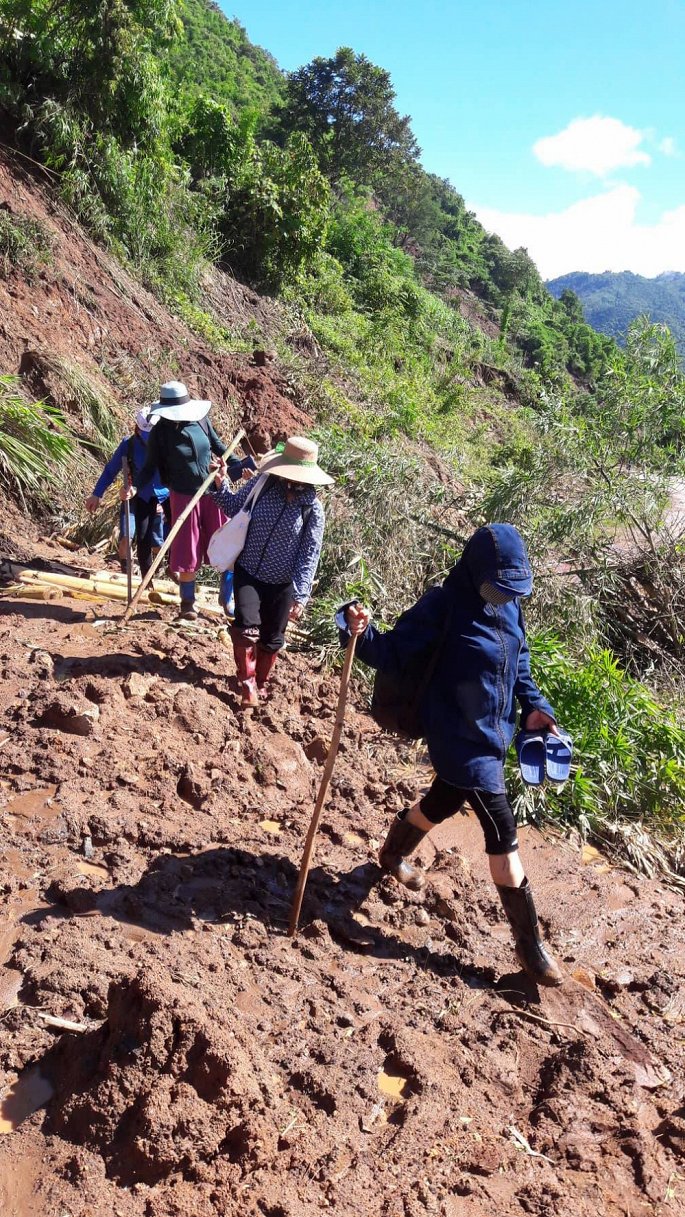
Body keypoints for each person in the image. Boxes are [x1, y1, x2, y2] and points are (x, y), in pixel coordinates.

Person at [340, 523, 564, 987]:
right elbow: (391, 653)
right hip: (457, 736)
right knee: (501, 829)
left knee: (443, 801)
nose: (504, 594)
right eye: (498, 585)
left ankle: (392, 853)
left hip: (493, 735)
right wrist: (357, 630)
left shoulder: (508, 606)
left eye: (511, 588)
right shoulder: (442, 606)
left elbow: (517, 661)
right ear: (476, 571)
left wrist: (535, 706)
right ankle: (531, 949)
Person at [210, 436, 332, 708]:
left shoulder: (312, 508)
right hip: (249, 570)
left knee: (272, 640)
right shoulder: (263, 485)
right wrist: (220, 483)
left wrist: (300, 595)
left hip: (282, 583)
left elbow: (309, 554)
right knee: (245, 629)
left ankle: (261, 683)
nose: (292, 485)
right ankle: (248, 683)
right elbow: (233, 506)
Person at [131, 381, 251, 620]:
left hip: (212, 491)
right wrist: (134, 487)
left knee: (227, 542)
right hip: (183, 495)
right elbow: (149, 467)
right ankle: (188, 603)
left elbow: (219, 447)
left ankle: (226, 599)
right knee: (187, 548)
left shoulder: (201, 421)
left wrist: (241, 468)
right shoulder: (160, 433)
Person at [85, 408, 170, 578]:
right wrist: (97, 493)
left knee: (157, 543)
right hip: (133, 497)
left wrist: (164, 501)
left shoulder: (167, 446)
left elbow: (174, 475)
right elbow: (111, 470)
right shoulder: (128, 444)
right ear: (137, 429)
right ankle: (127, 574)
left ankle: (157, 572)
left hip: (159, 498)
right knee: (126, 538)